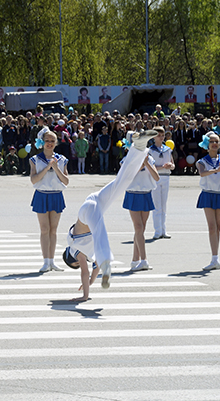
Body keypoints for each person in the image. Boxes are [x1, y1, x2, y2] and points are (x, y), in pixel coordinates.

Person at [61, 130, 159, 301]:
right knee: (121, 182)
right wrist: (91, 280)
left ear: (73, 260)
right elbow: (93, 269)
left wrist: (85, 294)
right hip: (93, 202)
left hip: (88, 213)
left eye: (77, 264)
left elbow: (85, 271)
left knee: (100, 234)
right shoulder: (87, 252)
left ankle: (108, 263)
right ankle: (139, 147)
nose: (80, 263)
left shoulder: (77, 252)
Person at [29, 129, 69, 272]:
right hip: (41, 195)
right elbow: (34, 180)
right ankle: (46, 261)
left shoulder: (62, 159)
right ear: (42, 142)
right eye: (47, 141)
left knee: (53, 230)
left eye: (52, 141)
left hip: (56, 195)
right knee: (44, 229)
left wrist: (56, 167)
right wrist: (47, 167)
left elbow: (65, 181)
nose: (50, 143)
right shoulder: (35, 159)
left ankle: (52, 261)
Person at [196, 132, 220, 270]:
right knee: (211, 226)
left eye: (216, 141)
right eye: (211, 141)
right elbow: (202, 173)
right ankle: (213, 259)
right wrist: (215, 170)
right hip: (208, 194)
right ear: (207, 144)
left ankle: (216, 258)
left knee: (218, 227)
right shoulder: (202, 161)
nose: (214, 143)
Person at [122, 136, 160, 271]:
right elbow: (126, 177)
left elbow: (156, 177)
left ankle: (134, 260)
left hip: (146, 194)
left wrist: (146, 163)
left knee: (141, 230)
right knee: (138, 228)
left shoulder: (150, 159)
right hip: (133, 194)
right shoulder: (127, 159)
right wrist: (139, 165)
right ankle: (144, 260)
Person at [148, 126, 175, 240]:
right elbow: (150, 165)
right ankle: (157, 230)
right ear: (154, 137)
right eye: (159, 135)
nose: (161, 137)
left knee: (164, 206)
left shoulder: (167, 149)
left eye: (163, 135)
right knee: (157, 205)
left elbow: (173, 165)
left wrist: (170, 166)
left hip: (166, 177)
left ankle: (164, 230)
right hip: (155, 178)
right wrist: (160, 167)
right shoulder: (150, 150)